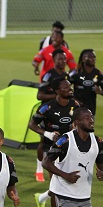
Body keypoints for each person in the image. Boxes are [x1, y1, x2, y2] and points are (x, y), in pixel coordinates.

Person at [28, 78, 81, 207]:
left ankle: (42, 197)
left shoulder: (75, 105)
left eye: (69, 86)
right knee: (57, 187)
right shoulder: (47, 108)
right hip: (50, 151)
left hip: (68, 149)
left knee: (61, 185)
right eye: (65, 87)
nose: (69, 88)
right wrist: (48, 134)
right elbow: (32, 124)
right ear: (57, 91)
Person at [34, 49, 70, 182]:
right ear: (54, 60)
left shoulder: (67, 76)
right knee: (43, 141)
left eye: (64, 59)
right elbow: (39, 95)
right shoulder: (48, 75)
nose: (63, 61)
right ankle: (39, 169)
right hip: (47, 113)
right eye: (60, 59)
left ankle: (56, 167)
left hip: (62, 112)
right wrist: (57, 96)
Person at [69, 49, 103, 116]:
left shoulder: (99, 74)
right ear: (83, 59)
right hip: (76, 109)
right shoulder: (76, 73)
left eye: (94, 57)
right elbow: (64, 86)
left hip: (91, 110)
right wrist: (73, 99)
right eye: (90, 57)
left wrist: (101, 92)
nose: (93, 59)